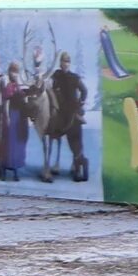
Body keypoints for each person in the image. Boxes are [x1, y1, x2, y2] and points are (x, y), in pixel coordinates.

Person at [47, 52, 88, 183]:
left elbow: (84, 90)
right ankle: (53, 165)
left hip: (72, 113)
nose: (65, 64)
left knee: (75, 142)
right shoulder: (56, 75)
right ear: (60, 63)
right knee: (53, 134)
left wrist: (80, 103)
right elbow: (49, 87)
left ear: (70, 64)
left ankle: (78, 167)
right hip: (60, 113)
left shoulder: (74, 77)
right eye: (64, 62)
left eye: (67, 62)